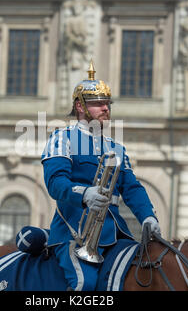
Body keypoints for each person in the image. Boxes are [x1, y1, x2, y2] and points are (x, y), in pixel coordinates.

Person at [41, 60, 161, 291]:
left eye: (107, 103)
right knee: (85, 285)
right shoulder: (62, 138)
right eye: (98, 104)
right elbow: (56, 183)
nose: (106, 108)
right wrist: (85, 193)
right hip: (74, 232)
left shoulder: (116, 147)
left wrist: (148, 216)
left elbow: (132, 188)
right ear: (80, 106)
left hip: (116, 233)